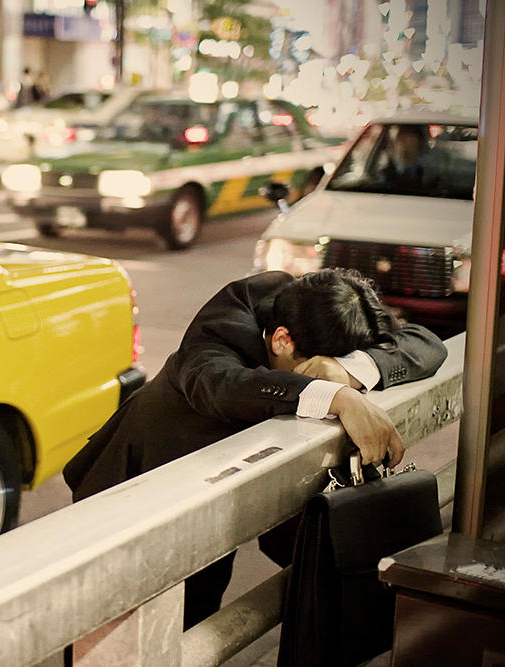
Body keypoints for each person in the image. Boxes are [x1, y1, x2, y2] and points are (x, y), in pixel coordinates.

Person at [62, 268, 448, 630]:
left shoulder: (332, 310)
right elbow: (221, 385)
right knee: (118, 636)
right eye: (312, 366)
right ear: (282, 339)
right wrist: (337, 397)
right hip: (129, 495)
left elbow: (427, 344)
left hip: (211, 495)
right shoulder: (224, 325)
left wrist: (351, 370)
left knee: (195, 616)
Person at [377, 124, 432, 191]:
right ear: (395, 143)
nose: (405, 147)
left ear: (419, 145)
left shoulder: (427, 176)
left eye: (411, 142)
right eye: (402, 140)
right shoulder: (382, 176)